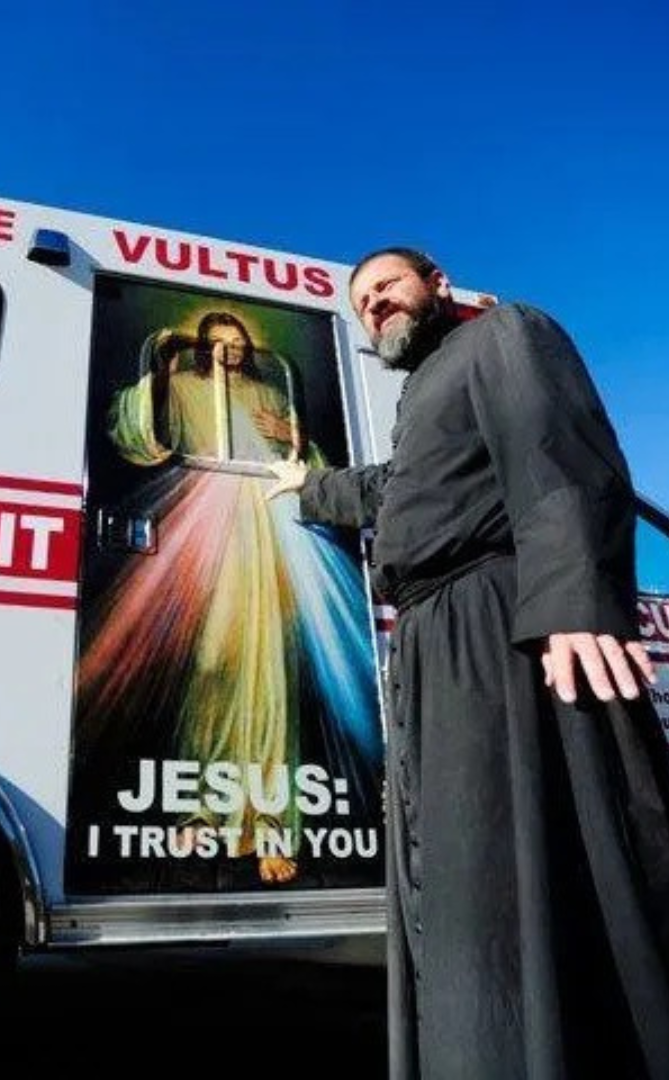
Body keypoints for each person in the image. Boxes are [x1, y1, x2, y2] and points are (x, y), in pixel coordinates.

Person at [266, 248, 669, 1078]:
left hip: (500, 630)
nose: (375, 305)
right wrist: (307, 487)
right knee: (458, 877)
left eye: (387, 286)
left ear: (437, 283)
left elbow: (558, 448)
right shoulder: (423, 398)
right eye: (362, 301)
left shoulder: (504, 333)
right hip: (429, 642)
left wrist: (573, 600)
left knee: (525, 875)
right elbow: (389, 491)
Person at [74, 310, 384, 886]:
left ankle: (270, 827)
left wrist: (292, 437)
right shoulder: (183, 387)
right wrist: (159, 373)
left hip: (273, 534)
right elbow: (133, 433)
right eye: (216, 341)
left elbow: (312, 472)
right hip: (208, 527)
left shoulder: (272, 394)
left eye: (236, 339)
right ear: (201, 347)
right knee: (211, 666)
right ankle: (202, 812)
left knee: (269, 676)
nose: (229, 349)